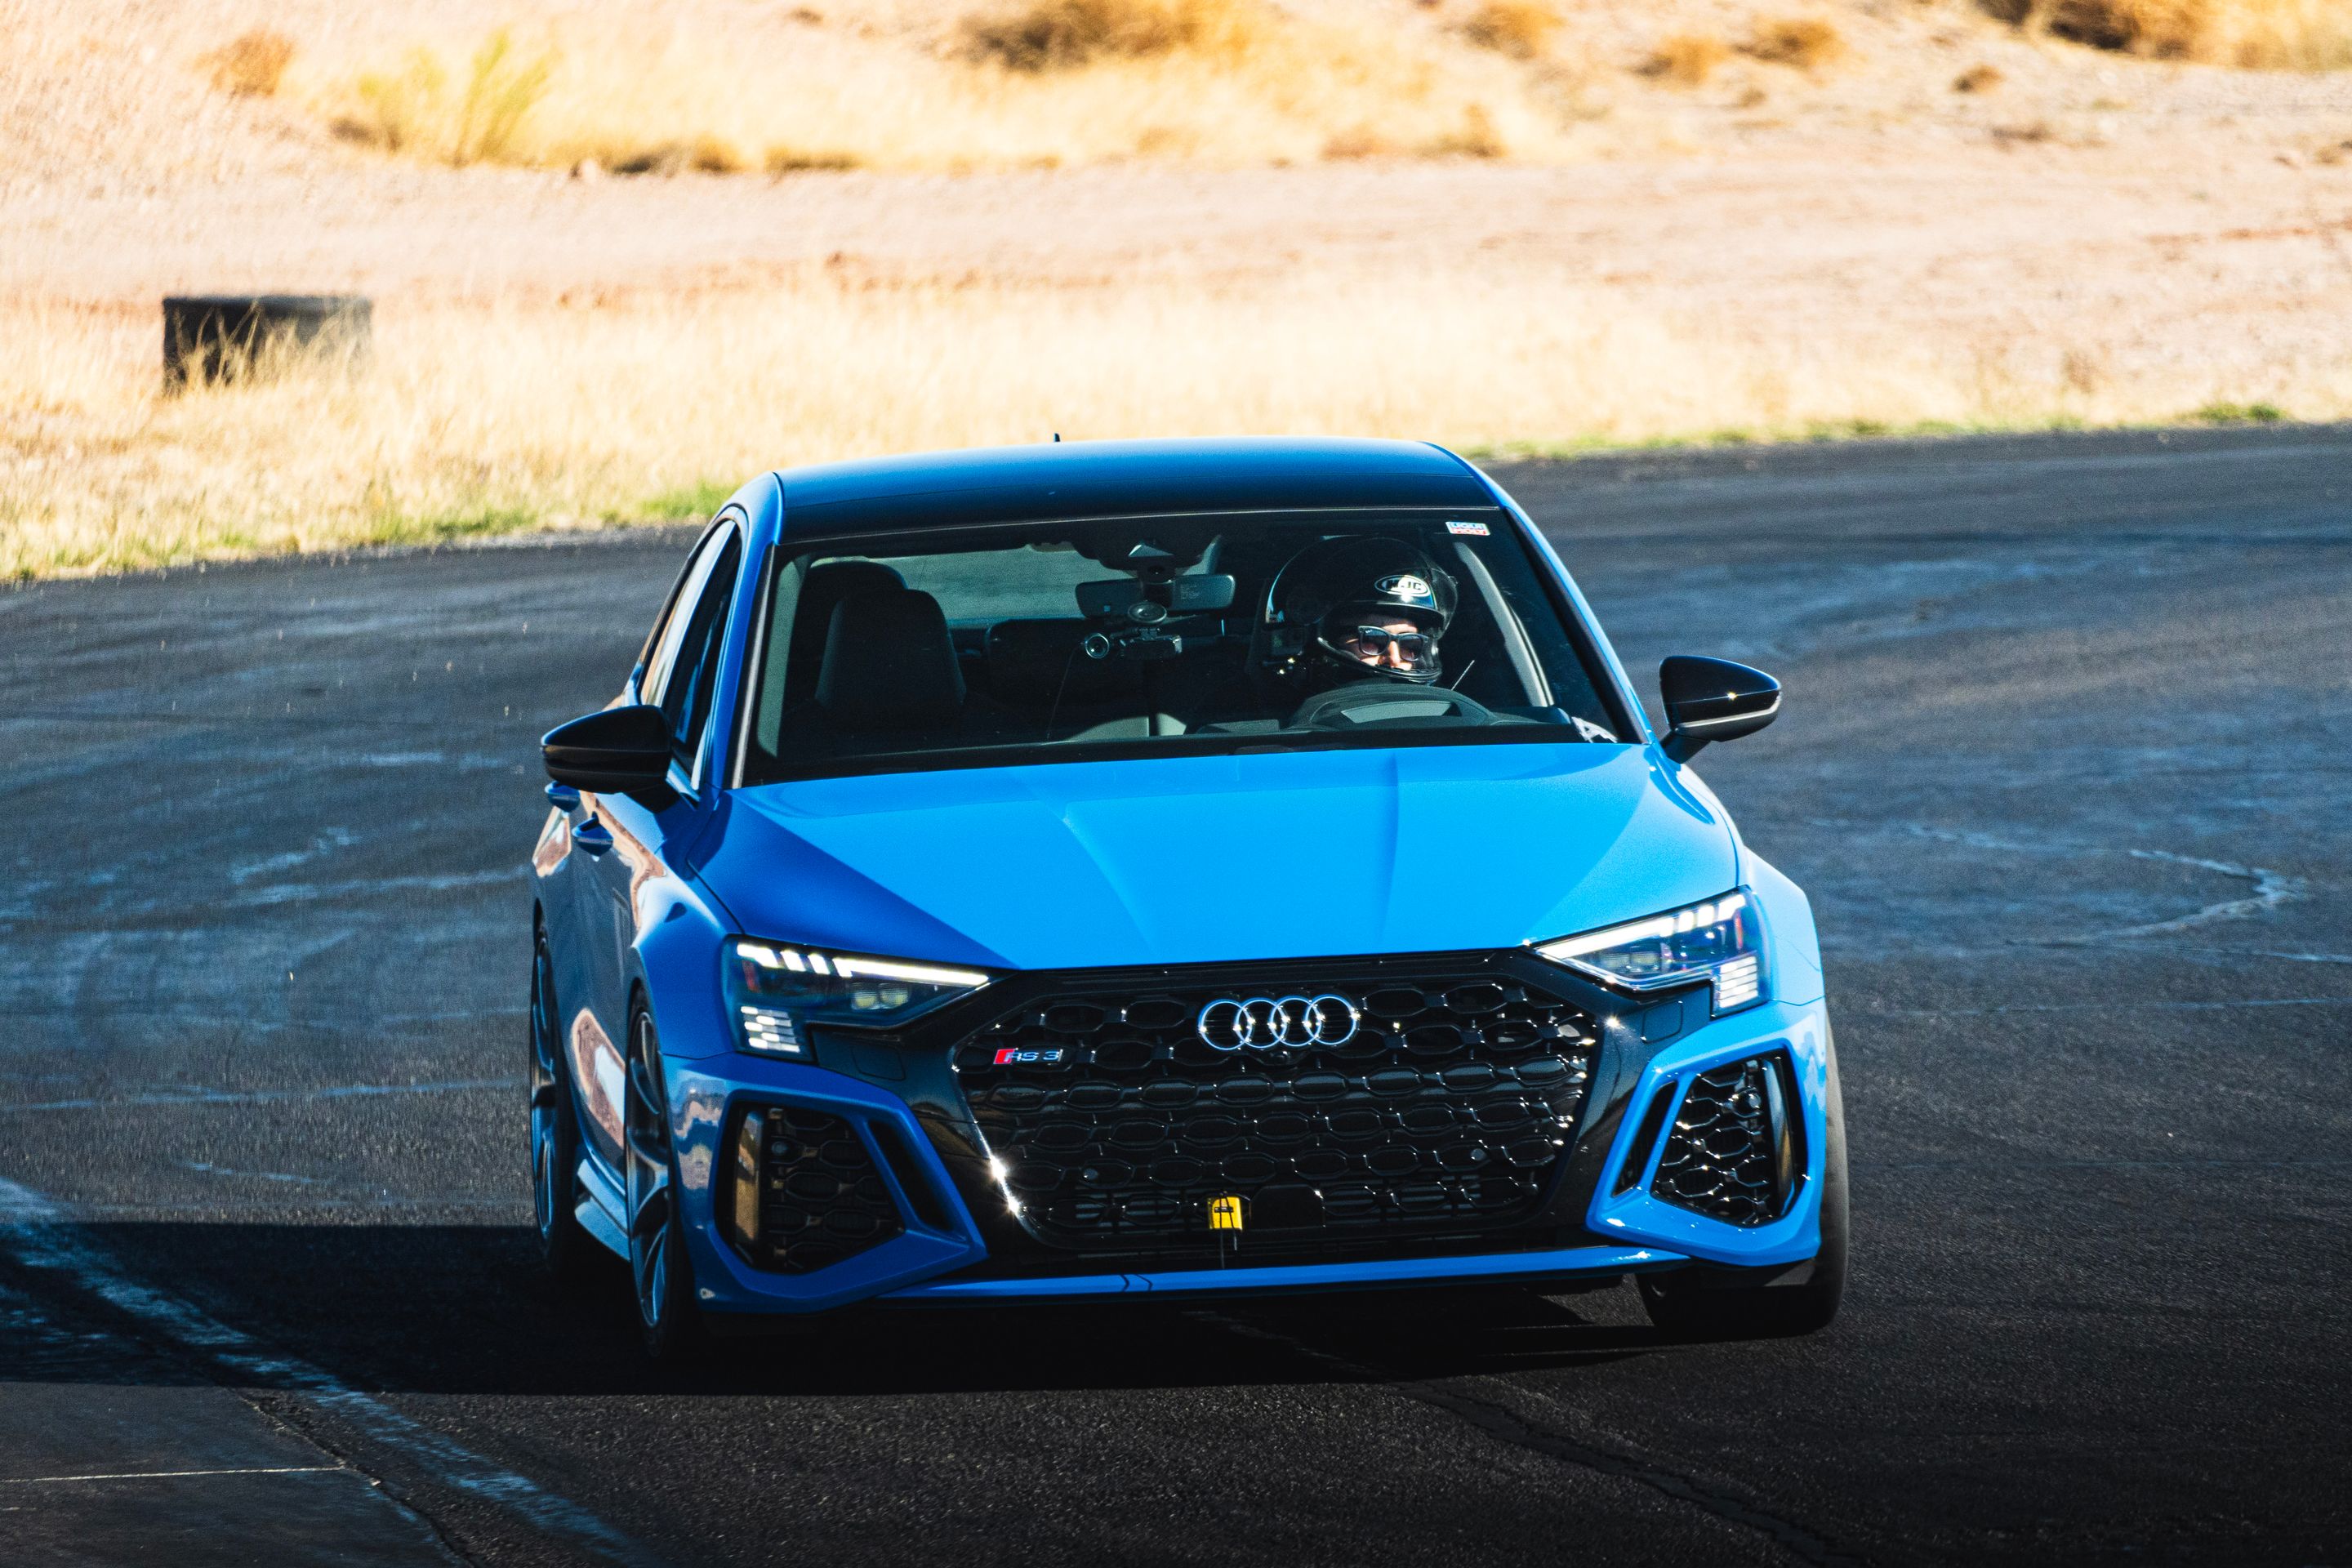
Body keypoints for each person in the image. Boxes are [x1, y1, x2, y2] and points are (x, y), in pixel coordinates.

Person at [1269, 535, 1460, 690]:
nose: (1394, 660)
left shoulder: (1448, 720)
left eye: (1410, 646)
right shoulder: (1270, 728)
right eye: (1371, 640)